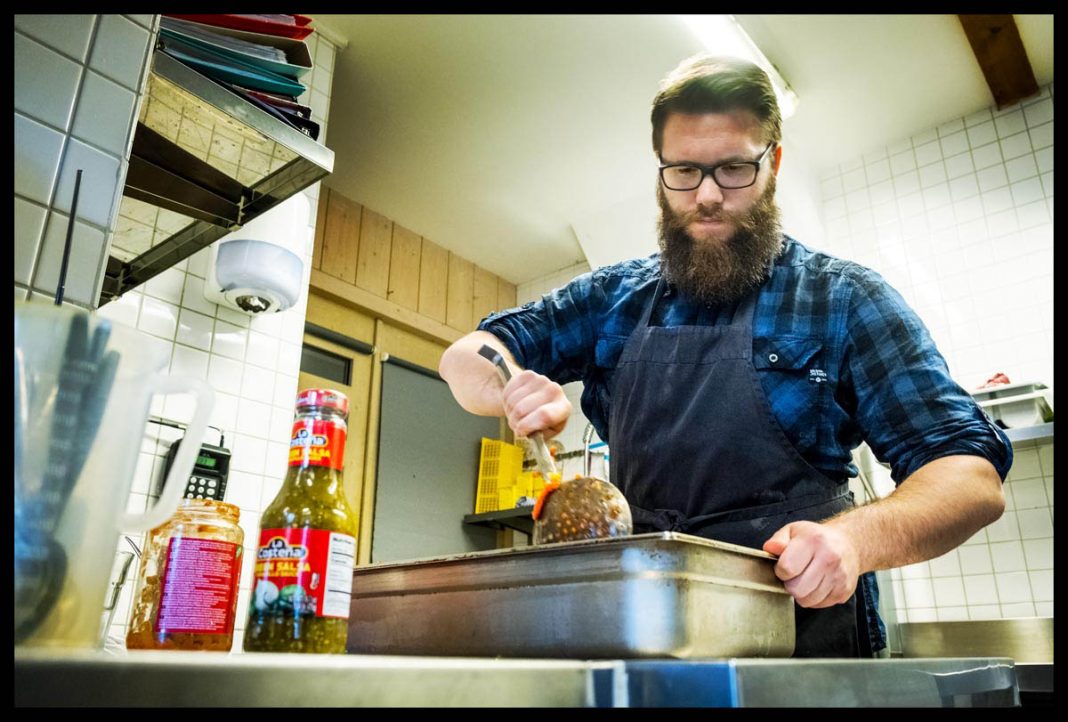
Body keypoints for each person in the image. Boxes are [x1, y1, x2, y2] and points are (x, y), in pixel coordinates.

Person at [438, 54, 1012, 658]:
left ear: (775, 163)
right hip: (644, 638)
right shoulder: (613, 299)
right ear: (660, 170)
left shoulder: (842, 298)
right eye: (684, 170)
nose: (707, 195)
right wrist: (511, 386)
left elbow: (970, 475)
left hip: (802, 646)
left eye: (735, 168)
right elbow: (470, 354)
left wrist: (853, 540)